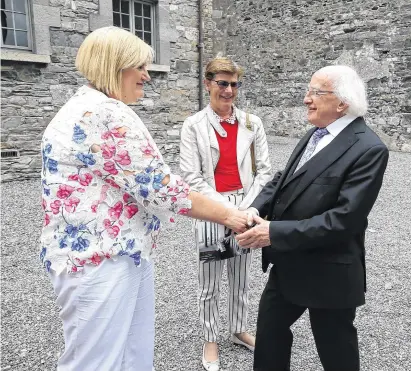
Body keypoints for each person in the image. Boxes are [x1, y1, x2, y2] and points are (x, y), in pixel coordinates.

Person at [40, 27, 249, 371]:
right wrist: (231, 215)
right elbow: (162, 188)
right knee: (97, 363)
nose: (146, 76)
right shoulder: (107, 113)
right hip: (103, 260)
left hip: (109, 255)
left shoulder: (76, 108)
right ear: (114, 65)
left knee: (130, 357)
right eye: (139, 66)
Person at [236, 65, 389, 371]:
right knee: (269, 337)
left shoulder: (369, 149)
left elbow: (344, 220)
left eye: (315, 92)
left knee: (336, 352)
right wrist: (254, 208)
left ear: (342, 102)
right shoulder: (316, 133)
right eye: (307, 91)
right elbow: (284, 178)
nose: (306, 99)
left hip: (330, 272)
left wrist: (273, 233)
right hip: (290, 263)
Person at [180, 57, 272, 371]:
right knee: (209, 280)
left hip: (246, 208)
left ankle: (238, 329)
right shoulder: (193, 125)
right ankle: (210, 339)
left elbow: (264, 173)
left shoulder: (252, 123)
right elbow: (192, 178)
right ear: (208, 84)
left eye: (234, 84)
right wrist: (228, 211)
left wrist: (248, 209)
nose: (229, 90)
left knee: (241, 278)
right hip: (211, 212)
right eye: (222, 83)